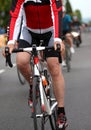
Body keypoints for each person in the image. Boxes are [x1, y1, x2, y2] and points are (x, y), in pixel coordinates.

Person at [2, 0, 68, 129]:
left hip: (50, 32)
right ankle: (33, 85)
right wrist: (11, 41)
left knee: (54, 66)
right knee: (21, 61)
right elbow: (15, 16)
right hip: (29, 32)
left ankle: (61, 111)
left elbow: (56, 12)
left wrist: (58, 39)